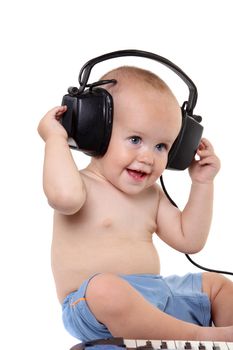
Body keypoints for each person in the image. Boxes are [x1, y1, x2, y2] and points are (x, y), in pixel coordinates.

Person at [38, 66, 233, 343]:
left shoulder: (152, 195)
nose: (148, 157)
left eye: (161, 146)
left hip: (157, 296)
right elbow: (63, 198)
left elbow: (190, 240)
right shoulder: (79, 186)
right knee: (105, 288)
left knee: (218, 286)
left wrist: (202, 184)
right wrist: (56, 138)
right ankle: (200, 337)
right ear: (97, 132)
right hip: (93, 307)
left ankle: (216, 335)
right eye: (135, 139)